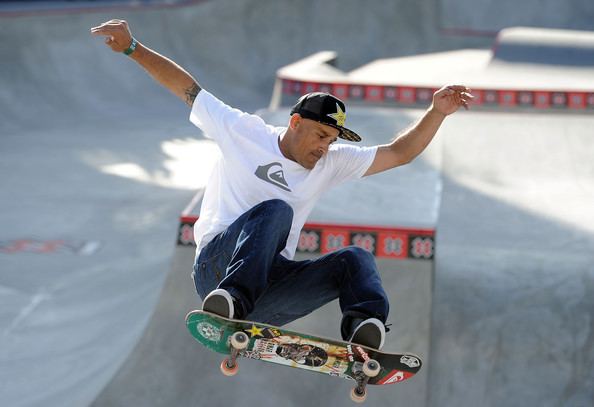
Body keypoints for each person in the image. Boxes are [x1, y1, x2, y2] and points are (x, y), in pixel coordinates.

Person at [91, 19, 472, 350]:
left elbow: (398, 153)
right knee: (276, 211)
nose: (324, 148)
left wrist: (436, 112)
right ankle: (231, 301)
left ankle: (363, 329)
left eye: (331, 140)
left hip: (269, 294)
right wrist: (132, 48)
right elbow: (187, 89)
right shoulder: (243, 131)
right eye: (320, 135)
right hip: (215, 272)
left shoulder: (331, 163)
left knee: (355, 258)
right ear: (295, 123)